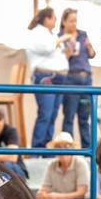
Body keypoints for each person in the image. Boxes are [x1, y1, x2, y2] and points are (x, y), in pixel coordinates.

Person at [26, 8, 70, 148]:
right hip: (46, 77)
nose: (56, 21)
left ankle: (46, 148)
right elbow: (47, 48)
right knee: (45, 114)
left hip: (57, 78)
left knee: (52, 116)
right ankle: (37, 150)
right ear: (46, 19)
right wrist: (62, 38)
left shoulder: (50, 34)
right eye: (54, 18)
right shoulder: (37, 33)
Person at [58, 8, 96, 148]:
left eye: (76, 21)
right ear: (64, 22)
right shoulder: (60, 37)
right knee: (69, 116)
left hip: (86, 79)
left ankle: (88, 149)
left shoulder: (83, 34)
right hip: (70, 79)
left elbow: (92, 54)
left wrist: (90, 47)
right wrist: (69, 50)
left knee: (84, 117)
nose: (74, 24)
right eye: (71, 21)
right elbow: (61, 60)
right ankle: (68, 150)